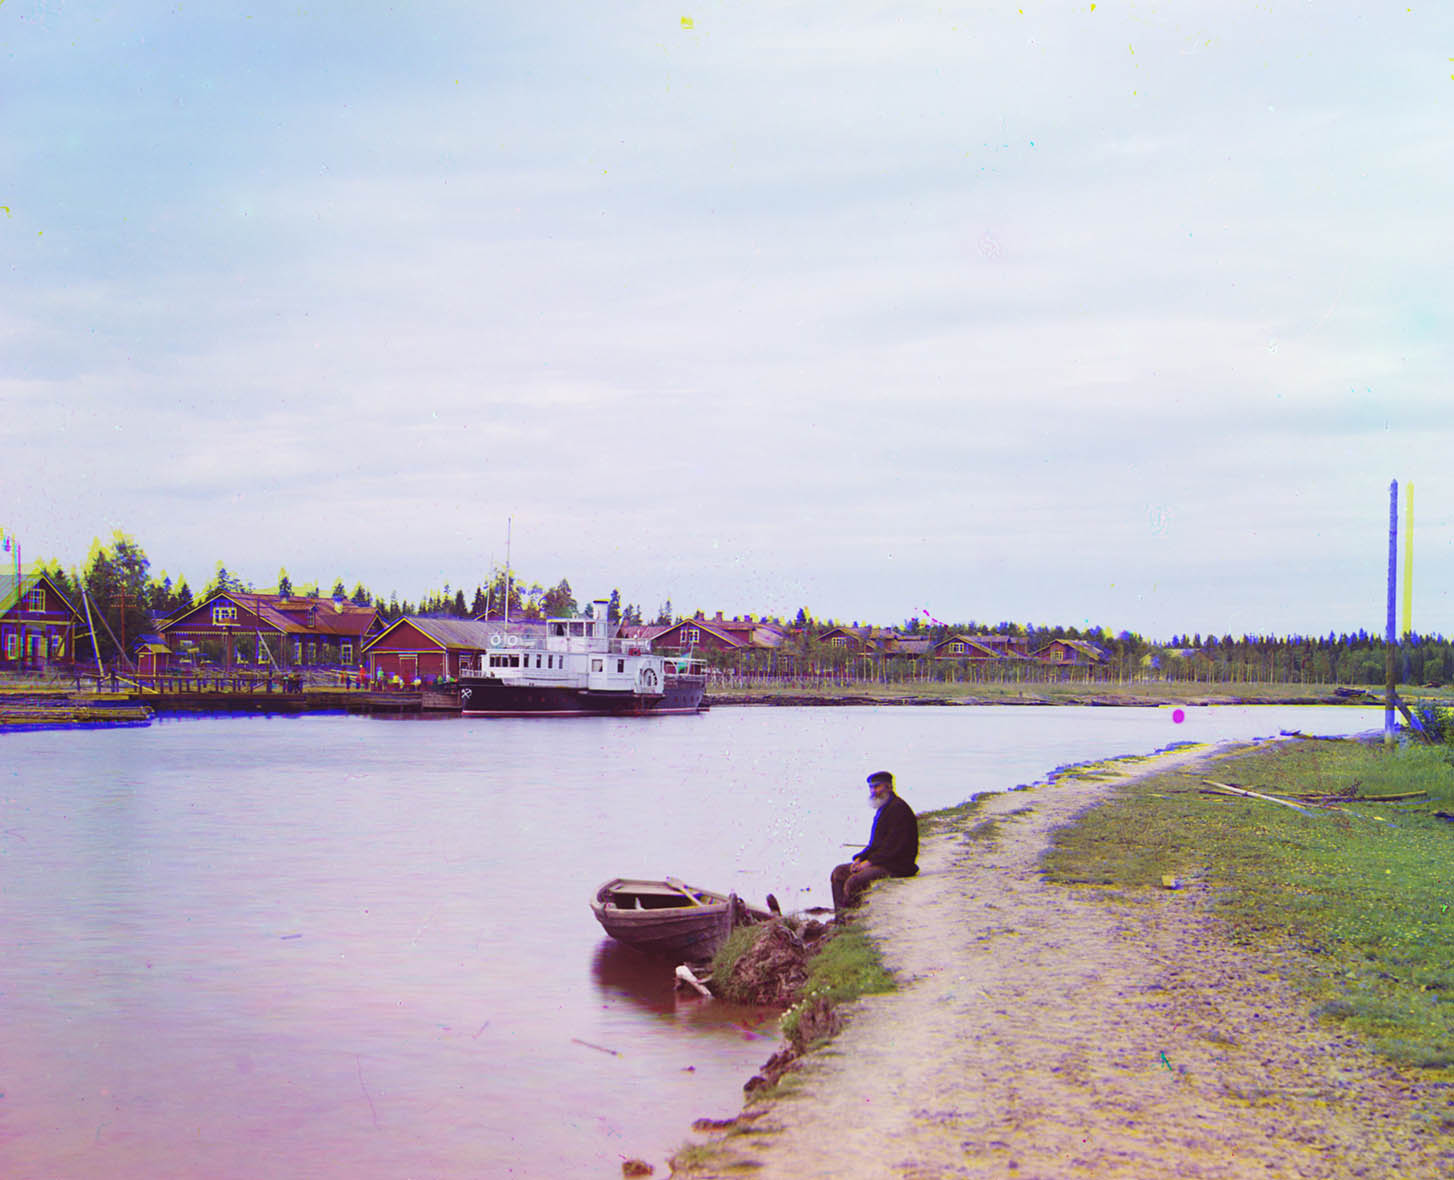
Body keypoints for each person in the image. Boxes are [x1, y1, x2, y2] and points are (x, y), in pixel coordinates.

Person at [830, 770, 919, 914]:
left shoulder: (898, 809)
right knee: (838, 873)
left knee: (854, 882)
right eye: (871, 787)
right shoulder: (884, 808)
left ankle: (854, 918)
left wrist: (868, 863)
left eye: (877, 787)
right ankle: (841, 919)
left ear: (889, 787)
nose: (873, 791)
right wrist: (859, 859)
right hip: (884, 861)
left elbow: (893, 848)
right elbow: (875, 845)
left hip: (898, 866)